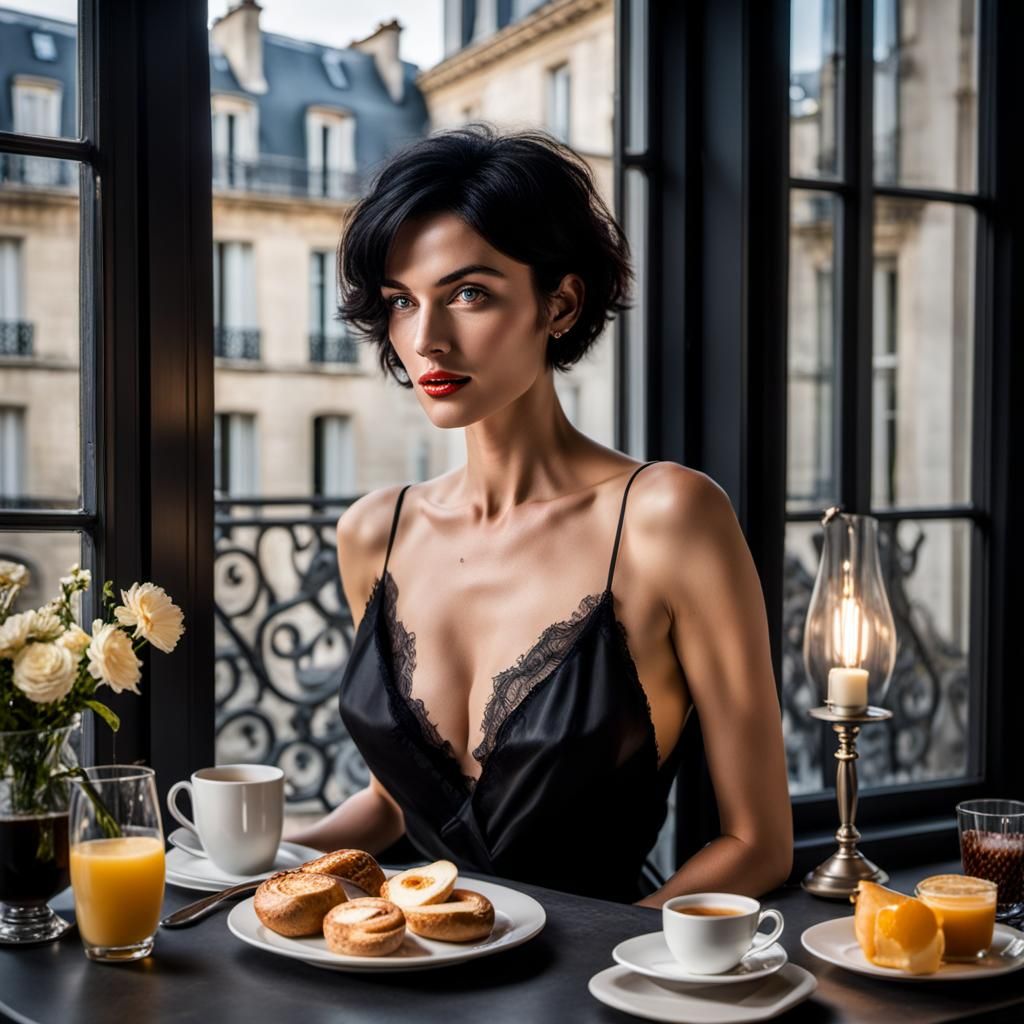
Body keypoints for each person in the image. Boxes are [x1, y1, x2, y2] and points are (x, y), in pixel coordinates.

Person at [287, 125, 792, 905]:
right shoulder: (373, 532)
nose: (427, 339)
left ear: (560, 302)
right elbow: (395, 801)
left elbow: (756, 844)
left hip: (598, 992)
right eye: (400, 302)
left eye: (468, 293)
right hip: (401, 979)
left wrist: (611, 972)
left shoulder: (667, 518)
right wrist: (256, 858)